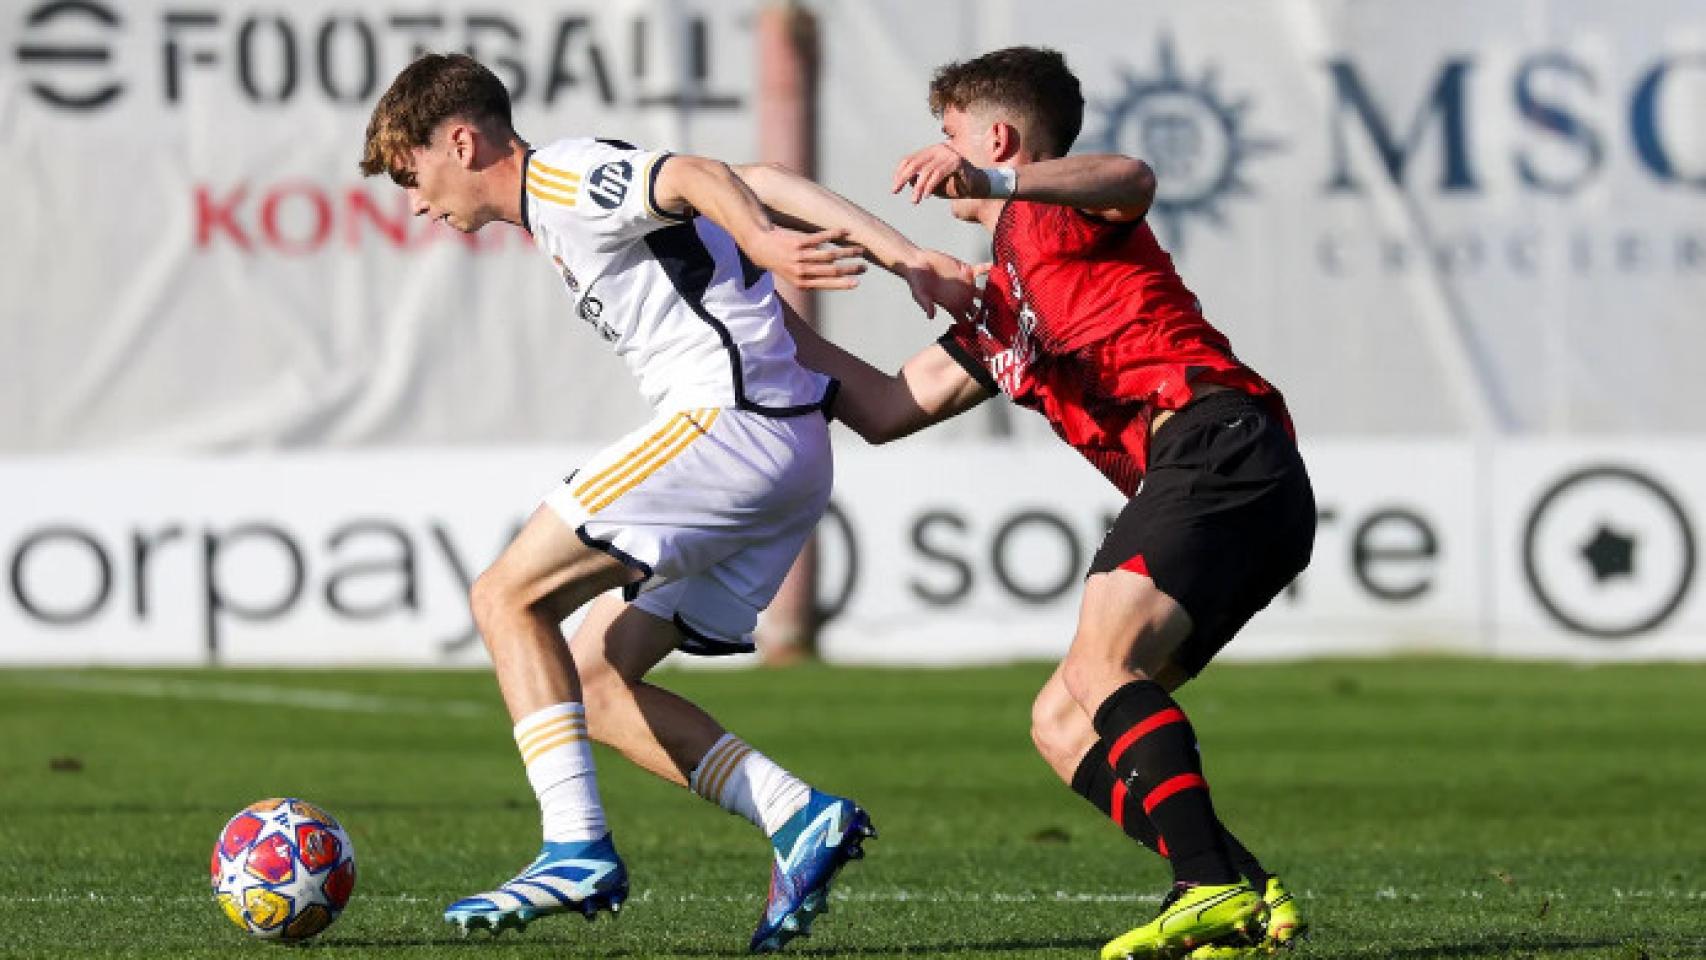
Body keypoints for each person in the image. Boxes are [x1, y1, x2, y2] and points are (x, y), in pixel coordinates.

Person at [356, 52, 963, 953]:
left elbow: (701, 175)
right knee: (598, 684)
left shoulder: (558, 176)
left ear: (460, 141)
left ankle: (574, 847)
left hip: (729, 429)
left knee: (505, 596)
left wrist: (767, 242)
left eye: (411, 175)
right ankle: (799, 816)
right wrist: (905, 256)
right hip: (788, 448)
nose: (415, 202)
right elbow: (758, 181)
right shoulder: (574, 207)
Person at [734, 46, 1316, 960]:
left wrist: (997, 182)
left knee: (1103, 664)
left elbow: (1135, 177)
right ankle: (1241, 888)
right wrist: (757, 322)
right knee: (1062, 721)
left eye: (948, 133)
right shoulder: (1005, 303)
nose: (938, 153)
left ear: (999, 140)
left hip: (1217, 443)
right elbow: (885, 407)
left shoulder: (1055, 213)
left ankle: (1205, 885)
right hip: (1234, 481)